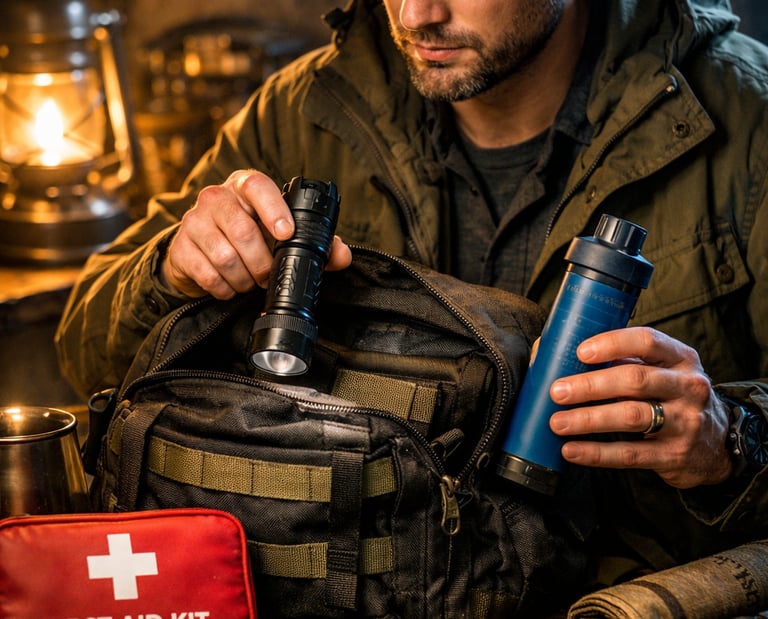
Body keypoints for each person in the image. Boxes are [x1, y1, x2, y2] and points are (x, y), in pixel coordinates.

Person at [56, 0, 768, 598]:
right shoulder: (307, 108)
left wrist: (734, 438)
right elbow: (83, 343)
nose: (418, 15)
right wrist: (171, 272)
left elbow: (739, 441)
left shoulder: (748, 122)